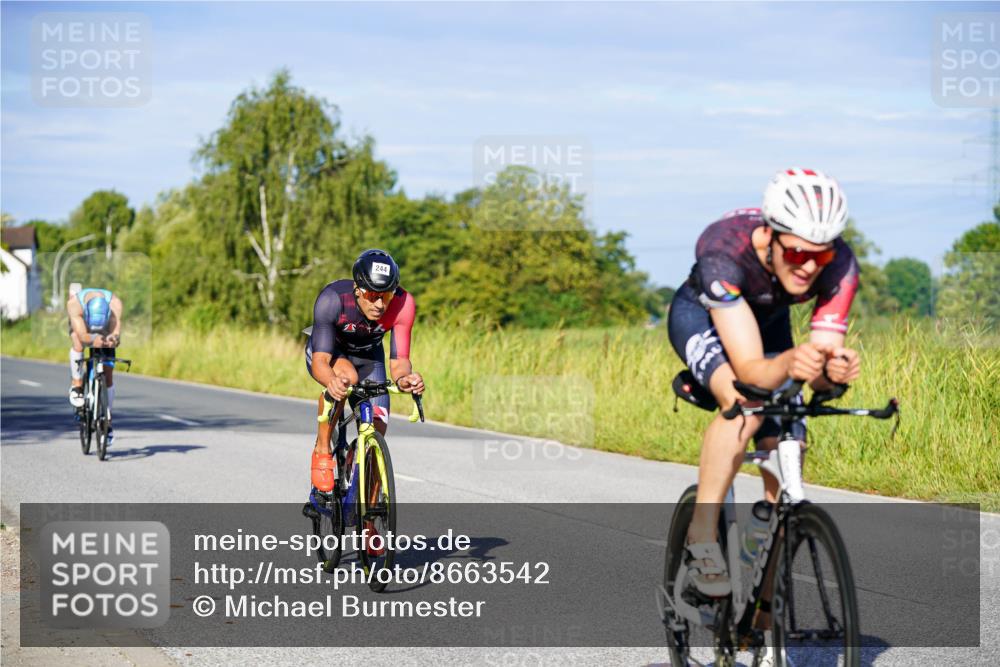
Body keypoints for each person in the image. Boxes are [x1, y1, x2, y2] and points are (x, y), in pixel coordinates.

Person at [667, 168, 861, 597]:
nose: (810, 267)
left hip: (769, 322)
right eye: (795, 253)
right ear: (770, 235)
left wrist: (832, 374)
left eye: (822, 255)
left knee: (789, 428)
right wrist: (792, 361)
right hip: (706, 316)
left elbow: (822, 362)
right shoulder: (723, 251)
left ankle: (762, 570)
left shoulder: (842, 266)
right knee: (743, 402)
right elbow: (753, 368)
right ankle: (701, 536)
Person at [305, 249, 424, 492]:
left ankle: (370, 524)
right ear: (358, 289)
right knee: (346, 378)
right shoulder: (333, 298)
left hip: (370, 358)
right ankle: (323, 448)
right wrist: (332, 381)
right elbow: (320, 362)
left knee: (377, 429)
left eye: (386, 295)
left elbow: (400, 361)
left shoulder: (403, 304)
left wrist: (404, 380)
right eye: (372, 295)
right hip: (332, 353)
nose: (380, 304)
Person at [67, 283, 123, 444]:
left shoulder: (115, 305)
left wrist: (112, 339)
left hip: (106, 327)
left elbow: (116, 334)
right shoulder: (74, 305)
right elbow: (84, 335)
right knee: (77, 340)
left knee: (108, 372)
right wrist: (92, 339)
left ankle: (108, 420)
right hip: (82, 325)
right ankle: (77, 384)